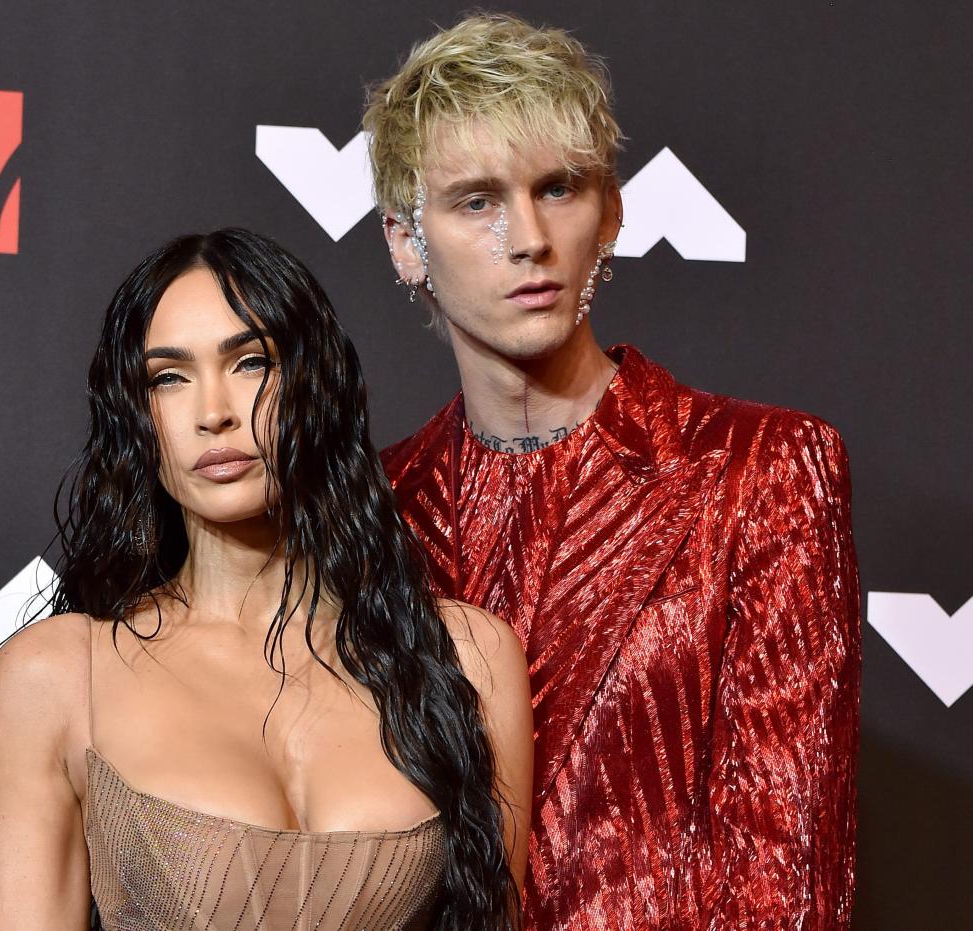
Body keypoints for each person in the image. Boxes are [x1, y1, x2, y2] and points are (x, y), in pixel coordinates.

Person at [364, 14, 860, 930]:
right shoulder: (368, 511)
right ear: (404, 241)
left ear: (612, 213)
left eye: (557, 188)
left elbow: (783, 875)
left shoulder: (760, 471)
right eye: (476, 200)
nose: (527, 237)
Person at [0, 228, 533, 930]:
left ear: (315, 388)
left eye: (250, 364)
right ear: (137, 418)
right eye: (168, 377)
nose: (214, 412)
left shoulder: (468, 657)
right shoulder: (59, 675)